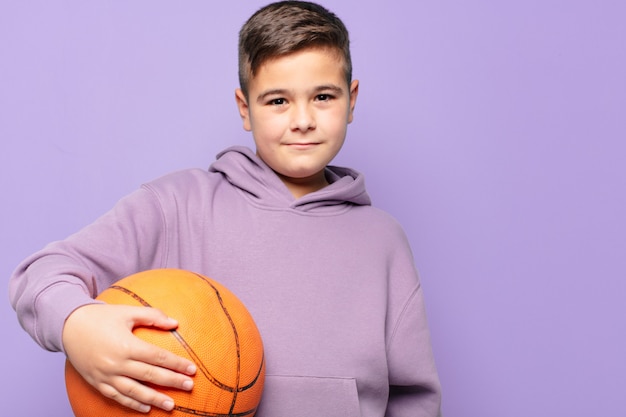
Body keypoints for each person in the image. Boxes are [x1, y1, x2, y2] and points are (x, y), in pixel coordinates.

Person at [9, 1, 442, 416]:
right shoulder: (179, 205)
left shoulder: (383, 240)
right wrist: (76, 323)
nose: (303, 119)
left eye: (323, 96)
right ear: (244, 109)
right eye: (278, 100)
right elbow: (44, 272)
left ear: (352, 99)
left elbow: (414, 397)